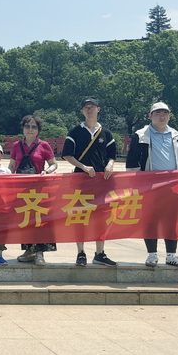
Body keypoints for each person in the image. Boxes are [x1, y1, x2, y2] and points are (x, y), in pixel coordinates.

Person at [126, 102, 178, 267]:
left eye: (164, 113)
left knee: (171, 220)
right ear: (150, 116)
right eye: (157, 113)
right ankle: (152, 255)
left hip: (173, 185)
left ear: (169, 116)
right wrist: (137, 184)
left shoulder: (176, 135)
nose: (161, 116)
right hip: (150, 186)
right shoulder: (141, 136)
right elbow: (132, 163)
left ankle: (171, 255)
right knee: (151, 220)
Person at [62, 97, 117, 267]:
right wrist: (83, 167)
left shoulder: (106, 133)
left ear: (98, 109)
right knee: (81, 216)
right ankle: (81, 253)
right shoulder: (75, 132)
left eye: (92, 107)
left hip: (102, 181)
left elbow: (112, 155)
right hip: (81, 180)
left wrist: (110, 164)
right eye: (86, 108)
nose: (89, 110)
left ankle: (100, 253)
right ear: (82, 111)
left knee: (101, 217)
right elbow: (67, 155)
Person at [9, 115, 59, 266]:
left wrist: (47, 171)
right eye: (27, 126)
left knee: (39, 220)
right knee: (25, 219)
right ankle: (28, 250)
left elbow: (54, 164)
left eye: (34, 127)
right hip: (22, 189)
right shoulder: (16, 145)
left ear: (38, 130)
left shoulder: (44, 145)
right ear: (23, 128)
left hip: (39, 189)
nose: (30, 129)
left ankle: (39, 253)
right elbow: (12, 166)